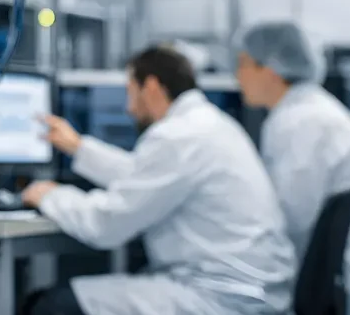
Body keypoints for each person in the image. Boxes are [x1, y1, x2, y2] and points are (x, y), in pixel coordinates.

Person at [20, 45, 296, 315]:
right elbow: (146, 177)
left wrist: (49, 195)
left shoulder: (177, 136)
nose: (129, 108)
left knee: (51, 306)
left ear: (150, 87)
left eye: (130, 92)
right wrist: (78, 147)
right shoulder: (208, 124)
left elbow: (107, 224)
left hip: (220, 296)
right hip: (249, 289)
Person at [235, 21, 350, 314]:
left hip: (349, 284)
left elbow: (291, 220)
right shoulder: (308, 111)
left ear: (271, 69)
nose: (237, 76)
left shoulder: (300, 122)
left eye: (243, 64)